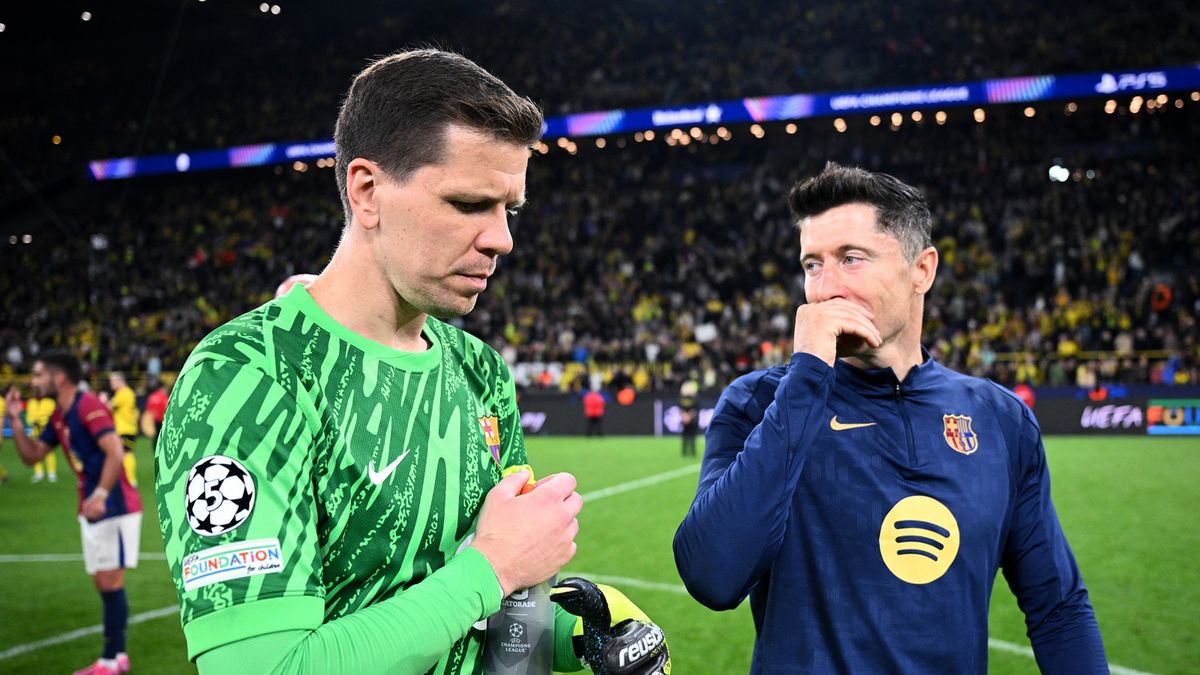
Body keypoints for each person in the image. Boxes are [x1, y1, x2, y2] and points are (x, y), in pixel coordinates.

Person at [155, 49, 669, 675]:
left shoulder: (479, 371)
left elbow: (501, 625)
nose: (502, 239)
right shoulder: (248, 376)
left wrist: (585, 634)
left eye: (508, 210)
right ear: (367, 192)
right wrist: (494, 565)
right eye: (469, 204)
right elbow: (265, 668)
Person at [674, 163, 1106, 673]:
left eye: (850, 259)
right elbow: (713, 576)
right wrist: (807, 377)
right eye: (812, 265)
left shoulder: (1000, 420)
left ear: (922, 270)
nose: (824, 289)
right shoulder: (756, 402)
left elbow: (1058, 609)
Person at [5, 351, 142, 675]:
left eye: (38, 375)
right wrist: (14, 420)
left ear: (59, 378)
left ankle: (111, 660)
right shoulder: (60, 415)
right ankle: (117, 656)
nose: (34, 382)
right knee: (103, 583)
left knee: (110, 582)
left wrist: (101, 495)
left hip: (115, 505)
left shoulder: (87, 405)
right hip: (92, 507)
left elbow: (115, 451)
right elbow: (32, 456)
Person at [107, 372, 139, 487]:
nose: (111, 384)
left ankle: (130, 479)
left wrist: (103, 400)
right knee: (126, 452)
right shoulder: (129, 393)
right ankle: (128, 479)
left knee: (125, 453)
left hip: (123, 429)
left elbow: (108, 407)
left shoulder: (123, 393)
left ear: (119, 381)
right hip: (129, 428)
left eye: (112, 381)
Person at [26, 392, 58, 482]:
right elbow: (29, 416)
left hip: (47, 430)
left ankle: (52, 473)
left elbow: (53, 416)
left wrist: (41, 422)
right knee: (35, 451)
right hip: (35, 430)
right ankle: (39, 473)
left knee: (49, 451)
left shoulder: (50, 402)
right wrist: (32, 422)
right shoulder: (31, 402)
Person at [678, 375, 700, 458]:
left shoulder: (695, 398)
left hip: (693, 420)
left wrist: (689, 417)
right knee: (684, 436)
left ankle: (692, 452)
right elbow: (680, 408)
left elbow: (696, 409)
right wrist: (684, 416)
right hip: (685, 420)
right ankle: (684, 452)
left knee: (692, 436)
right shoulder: (681, 398)